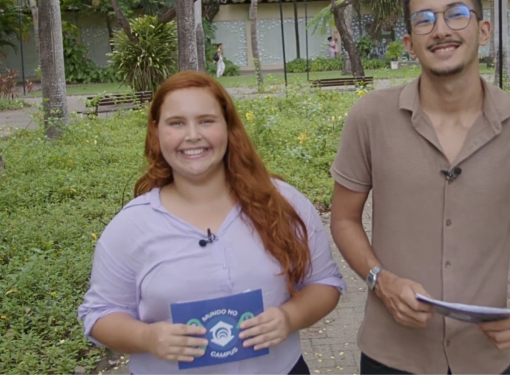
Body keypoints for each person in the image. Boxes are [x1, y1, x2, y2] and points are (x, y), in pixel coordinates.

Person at [329, 0, 510, 375]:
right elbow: (343, 218)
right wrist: (380, 281)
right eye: (424, 20)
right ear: (409, 43)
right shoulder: (369, 118)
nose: (440, 29)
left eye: (456, 14)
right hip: (391, 355)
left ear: (484, 29)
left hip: (485, 357)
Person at [78, 71, 345, 374]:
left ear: (229, 127)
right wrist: (147, 337)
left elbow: (325, 283)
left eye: (206, 120)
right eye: (176, 123)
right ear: (156, 132)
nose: (192, 135)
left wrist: (289, 318)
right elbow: (99, 314)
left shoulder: (284, 203)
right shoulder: (130, 227)